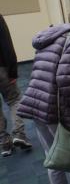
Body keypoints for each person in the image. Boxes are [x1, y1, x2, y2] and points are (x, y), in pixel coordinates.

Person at [17, 3, 70, 184]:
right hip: (57, 111)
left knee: (55, 160)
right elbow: (66, 80)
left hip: (37, 105)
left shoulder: (54, 34)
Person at [0, 14, 32, 157]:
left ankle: (4, 143)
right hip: (1, 69)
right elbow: (6, 44)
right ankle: (19, 134)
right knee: (14, 99)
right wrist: (13, 71)